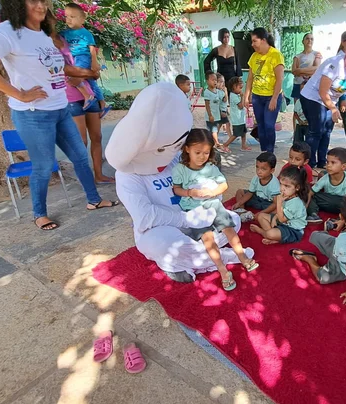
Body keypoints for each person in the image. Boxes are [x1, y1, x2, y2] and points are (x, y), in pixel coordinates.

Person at [0, 0, 118, 231]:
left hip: (60, 109)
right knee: (44, 165)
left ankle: (94, 200)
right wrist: (19, 94)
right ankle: (39, 214)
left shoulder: (43, 34)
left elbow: (58, 67)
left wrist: (87, 72)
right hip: (33, 114)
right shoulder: (8, 31)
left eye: (43, 0)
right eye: (33, 0)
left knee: (80, 157)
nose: (41, 5)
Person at [106, 82, 252, 283]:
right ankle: (220, 257)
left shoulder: (174, 156)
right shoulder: (127, 175)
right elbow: (146, 217)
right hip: (162, 229)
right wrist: (186, 220)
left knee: (232, 219)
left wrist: (209, 195)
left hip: (195, 215)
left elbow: (201, 179)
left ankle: (194, 257)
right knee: (164, 246)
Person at [172, 129, 258, 291]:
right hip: (195, 211)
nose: (202, 156)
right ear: (187, 149)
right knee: (208, 239)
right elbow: (176, 189)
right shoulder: (180, 170)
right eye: (198, 152)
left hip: (213, 204)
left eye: (206, 152)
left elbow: (223, 185)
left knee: (229, 229)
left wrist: (213, 192)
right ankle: (222, 270)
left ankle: (242, 256)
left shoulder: (210, 167)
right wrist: (190, 192)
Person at [47, 12, 114, 185]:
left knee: (97, 137)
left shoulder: (68, 38)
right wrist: (88, 74)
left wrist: (96, 90)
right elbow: (61, 69)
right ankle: (87, 180)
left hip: (89, 93)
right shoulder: (46, 44)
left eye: (48, 19)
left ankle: (99, 175)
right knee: (81, 141)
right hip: (71, 97)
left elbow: (89, 63)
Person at [290, 191, 346, 307]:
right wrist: (343, 223)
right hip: (341, 248)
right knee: (315, 235)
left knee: (322, 278)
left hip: (343, 266)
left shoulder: (344, 241)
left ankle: (310, 259)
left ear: (341, 216)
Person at [300, 38, 346, 169]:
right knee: (316, 131)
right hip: (312, 97)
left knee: (327, 131)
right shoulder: (334, 64)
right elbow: (322, 91)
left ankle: (323, 162)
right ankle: (309, 165)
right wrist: (333, 109)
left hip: (329, 101)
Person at [61, 3, 109, 117]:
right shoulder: (64, 33)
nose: (68, 20)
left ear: (82, 19)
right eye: (66, 17)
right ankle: (102, 103)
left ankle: (87, 96)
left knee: (73, 76)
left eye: (72, 17)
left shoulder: (86, 33)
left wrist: (94, 62)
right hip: (74, 58)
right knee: (92, 82)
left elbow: (92, 48)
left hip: (83, 57)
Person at [244, 28, 285, 153]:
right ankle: (263, 152)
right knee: (260, 126)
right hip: (257, 97)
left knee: (268, 125)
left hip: (271, 97)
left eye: (254, 41)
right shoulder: (254, 56)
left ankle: (270, 152)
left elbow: (279, 80)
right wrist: (246, 96)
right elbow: (250, 79)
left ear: (263, 40)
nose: (252, 44)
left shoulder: (276, 55)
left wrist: (274, 98)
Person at [250, 166, 309, 245]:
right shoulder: (287, 195)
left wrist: (279, 202)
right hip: (283, 222)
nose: (282, 188)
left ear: (297, 187)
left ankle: (264, 233)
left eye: (287, 186)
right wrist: (274, 217)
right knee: (261, 216)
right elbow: (280, 213)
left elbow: (281, 219)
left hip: (293, 230)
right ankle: (275, 237)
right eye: (281, 184)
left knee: (270, 234)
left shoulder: (296, 203)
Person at [306, 147, 346, 223]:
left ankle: (340, 220)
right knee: (310, 194)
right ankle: (313, 214)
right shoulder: (325, 178)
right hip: (326, 201)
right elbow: (311, 192)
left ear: (343, 166)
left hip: (340, 205)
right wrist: (305, 206)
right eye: (327, 162)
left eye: (333, 162)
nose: (328, 165)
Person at [221, 77, 251, 152]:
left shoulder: (236, 94)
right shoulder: (233, 96)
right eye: (239, 87)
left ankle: (243, 146)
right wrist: (242, 97)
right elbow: (240, 106)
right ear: (233, 87)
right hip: (237, 120)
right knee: (236, 134)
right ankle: (225, 145)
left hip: (241, 119)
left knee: (243, 133)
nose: (241, 89)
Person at [291, 32, 322, 104]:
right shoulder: (297, 56)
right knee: (297, 108)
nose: (309, 40)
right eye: (307, 38)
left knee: (309, 108)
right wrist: (310, 70)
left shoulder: (317, 54)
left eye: (312, 39)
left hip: (311, 85)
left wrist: (300, 70)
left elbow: (317, 69)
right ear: (303, 41)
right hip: (298, 84)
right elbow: (294, 71)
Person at [203, 71, 226, 147]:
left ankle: (212, 143)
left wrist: (224, 91)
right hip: (211, 116)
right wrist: (210, 115)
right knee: (213, 130)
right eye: (212, 80)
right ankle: (216, 143)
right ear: (207, 81)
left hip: (217, 115)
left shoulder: (218, 91)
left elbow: (224, 100)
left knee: (214, 130)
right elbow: (207, 105)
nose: (215, 81)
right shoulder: (207, 92)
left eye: (216, 80)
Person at [217, 72, 232, 138]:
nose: (222, 84)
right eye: (220, 82)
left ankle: (215, 136)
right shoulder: (219, 92)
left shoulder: (220, 91)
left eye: (223, 82)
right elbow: (225, 100)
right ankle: (230, 136)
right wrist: (225, 92)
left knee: (220, 124)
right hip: (221, 111)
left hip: (223, 110)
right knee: (227, 124)